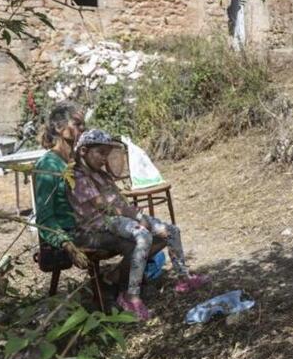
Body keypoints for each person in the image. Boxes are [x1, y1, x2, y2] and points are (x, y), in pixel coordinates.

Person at [69, 129, 208, 320]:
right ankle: (131, 296)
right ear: (84, 151)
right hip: (99, 224)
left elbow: (120, 202)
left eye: (107, 154)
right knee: (143, 235)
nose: (104, 158)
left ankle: (184, 278)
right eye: (100, 152)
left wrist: (136, 214)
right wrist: (137, 218)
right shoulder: (78, 177)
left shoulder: (102, 175)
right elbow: (105, 207)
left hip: (120, 219)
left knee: (170, 231)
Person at [33, 101, 89, 270]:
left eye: (83, 125)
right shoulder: (48, 166)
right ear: (59, 128)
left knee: (152, 239)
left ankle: (114, 279)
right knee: (137, 240)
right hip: (71, 233)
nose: (82, 130)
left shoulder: (77, 160)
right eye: (77, 124)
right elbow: (44, 219)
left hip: (89, 225)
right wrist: (68, 246)